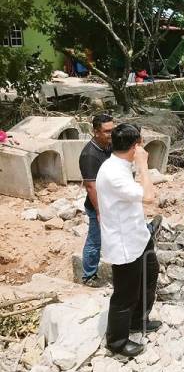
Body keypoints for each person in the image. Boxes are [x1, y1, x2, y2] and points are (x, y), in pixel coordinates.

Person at [96, 123, 162, 357]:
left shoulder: (122, 165)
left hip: (138, 235)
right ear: (136, 146)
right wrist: (144, 165)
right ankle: (116, 341)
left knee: (149, 276)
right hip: (124, 243)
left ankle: (138, 320)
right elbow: (149, 196)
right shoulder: (113, 172)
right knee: (125, 294)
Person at [79, 114, 114, 287]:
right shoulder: (89, 155)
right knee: (95, 240)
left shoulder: (108, 146)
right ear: (95, 132)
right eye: (107, 131)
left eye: (112, 130)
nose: (110, 134)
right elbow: (91, 186)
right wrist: (100, 211)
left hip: (112, 202)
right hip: (98, 205)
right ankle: (88, 276)